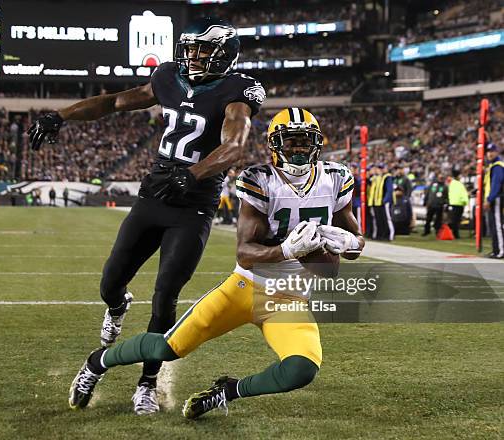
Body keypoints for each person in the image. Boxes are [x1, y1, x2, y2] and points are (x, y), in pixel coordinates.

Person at [28, 17, 265, 414]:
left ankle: (147, 383)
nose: (193, 57)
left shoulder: (237, 91)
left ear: (224, 55)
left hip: (193, 204)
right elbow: (114, 102)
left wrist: (192, 176)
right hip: (154, 195)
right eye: (190, 49)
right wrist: (61, 115)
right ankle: (118, 306)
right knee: (109, 283)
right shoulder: (169, 77)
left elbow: (235, 148)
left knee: (165, 295)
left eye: (203, 51)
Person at [68, 108, 364, 418]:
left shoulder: (335, 177)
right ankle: (98, 362)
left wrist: (350, 243)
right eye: (290, 142)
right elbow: (245, 254)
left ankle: (226, 390)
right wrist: (286, 251)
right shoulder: (259, 178)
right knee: (166, 348)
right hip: (245, 288)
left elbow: (355, 241)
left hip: (291, 299)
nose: (299, 150)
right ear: (274, 145)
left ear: (317, 143)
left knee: (301, 369)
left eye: (305, 142)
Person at [484, 143, 504, 258]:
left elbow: (496, 184)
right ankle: (495, 250)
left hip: (497, 199)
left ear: (497, 152)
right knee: (493, 226)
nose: (489, 153)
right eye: (488, 151)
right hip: (493, 199)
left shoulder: (497, 166)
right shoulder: (493, 166)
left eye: (492, 151)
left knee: (497, 225)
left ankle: (501, 251)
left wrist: (489, 199)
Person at [447, 169, 468, 239]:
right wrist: (465, 202)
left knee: (453, 219)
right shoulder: (459, 184)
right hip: (459, 204)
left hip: (452, 203)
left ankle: (453, 233)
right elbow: (463, 194)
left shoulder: (452, 183)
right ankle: (455, 234)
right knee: (456, 220)